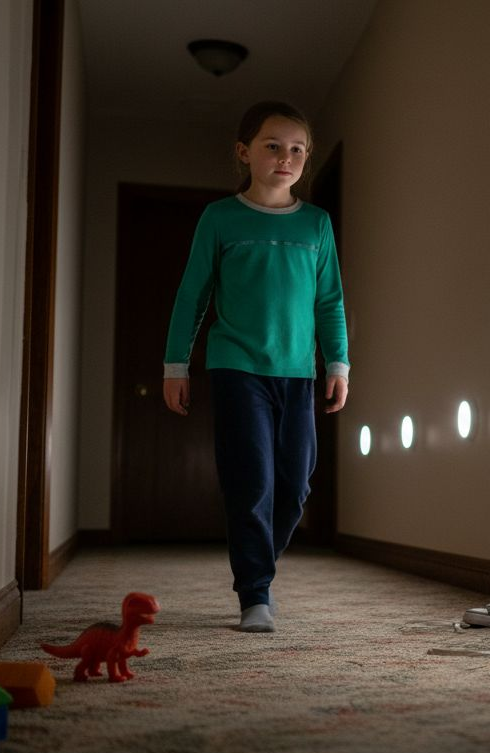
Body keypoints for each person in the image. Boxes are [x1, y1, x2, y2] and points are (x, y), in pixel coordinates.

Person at [162, 101, 349, 633]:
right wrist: (176, 367)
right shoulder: (220, 218)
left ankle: (257, 563)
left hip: (300, 372)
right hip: (236, 368)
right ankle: (255, 593)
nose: (285, 157)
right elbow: (191, 295)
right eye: (273, 145)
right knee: (252, 483)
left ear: (306, 158)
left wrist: (339, 361)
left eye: (297, 149)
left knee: (295, 485)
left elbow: (330, 300)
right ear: (245, 152)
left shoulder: (316, 224)